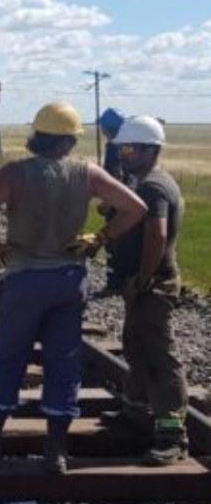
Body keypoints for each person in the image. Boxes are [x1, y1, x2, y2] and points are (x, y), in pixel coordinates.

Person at [0, 102, 146, 474]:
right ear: (68, 140)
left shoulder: (15, 173)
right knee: (63, 363)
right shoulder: (88, 174)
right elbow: (135, 207)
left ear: (37, 136)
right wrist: (100, 237)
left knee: (8, 359)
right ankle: (56, 452)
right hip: (67, 281)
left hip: (24, 280)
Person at [104, 115, 190, 466]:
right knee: (137, 349)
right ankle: (136, 415)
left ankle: (172, 434)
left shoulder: (154, 186)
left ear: (150, 150)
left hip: (152, 285)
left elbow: (156, 234)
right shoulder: (144, 180)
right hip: (143, 285)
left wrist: (143, 278)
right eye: (122, 147)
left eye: (130, 149)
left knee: (159, 359)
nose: (124, 154)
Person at [97, 107, 127, 292]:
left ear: (106, 127)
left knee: (114, 240)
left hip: (118, 202)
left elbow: (117, 175)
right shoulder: (128, 144)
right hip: (128, 200)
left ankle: (115, 284)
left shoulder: (114, 146)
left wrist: (109, 202)